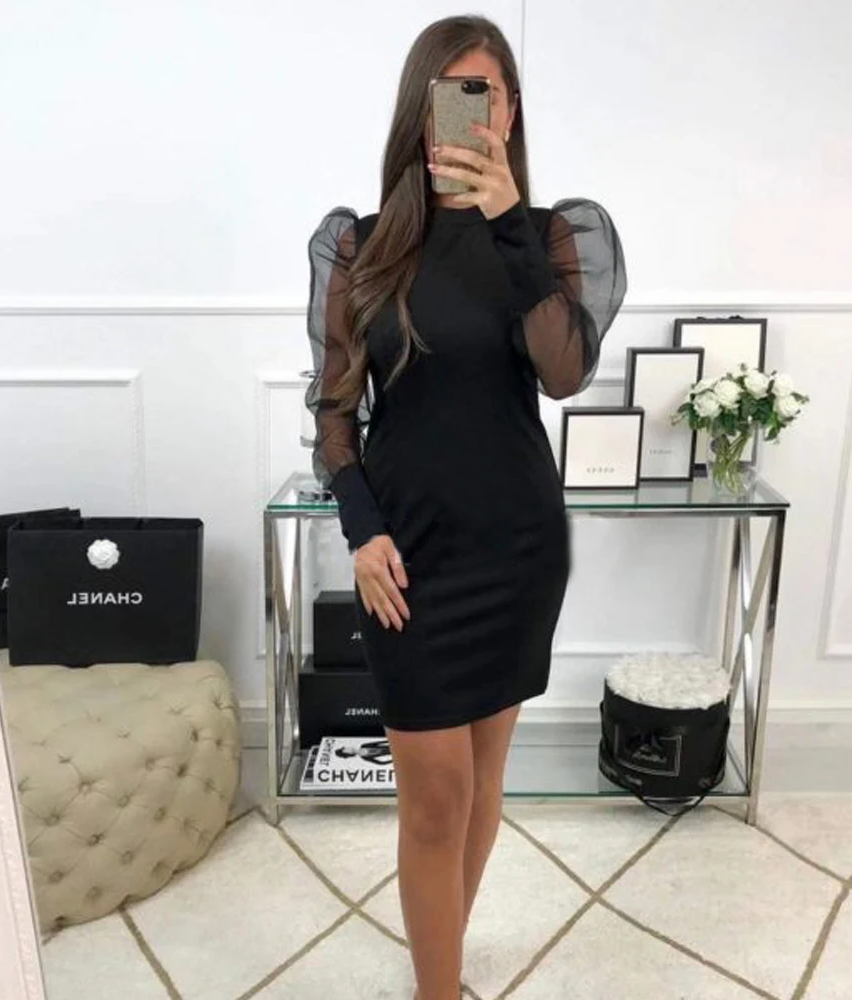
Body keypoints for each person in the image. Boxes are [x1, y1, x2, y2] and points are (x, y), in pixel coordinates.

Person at [304, 14, 626, 1000]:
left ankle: (433, 975)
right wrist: (362, 532)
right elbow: (335, 413)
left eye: (488, 94)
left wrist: (507, 222)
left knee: (483, 784)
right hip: (408, 554)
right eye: (454, 94)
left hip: (517, 547)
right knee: (433, 800)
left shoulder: (550, 236)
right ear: (421, 110)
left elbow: (563, 373)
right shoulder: (362, 246)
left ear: (511, 111)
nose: (472, 114)